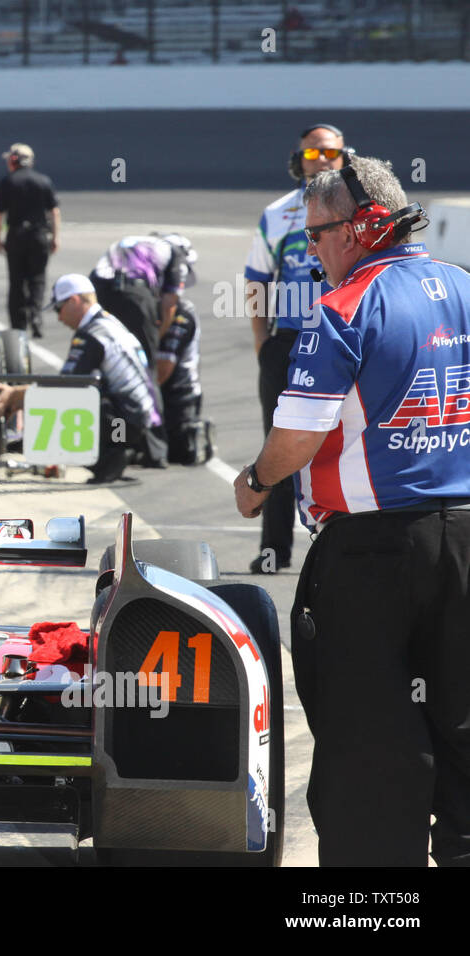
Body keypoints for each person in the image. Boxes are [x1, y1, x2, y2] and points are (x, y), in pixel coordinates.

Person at [232, 156, 469, 867]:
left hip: (372, 554)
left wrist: (256, 480)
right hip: (464, 544)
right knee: (461, 727)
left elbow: (298, 437)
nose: (310, 252)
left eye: (319, 235)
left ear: (365, 227)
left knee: (368, 747)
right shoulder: (462, 286)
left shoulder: (343, 308)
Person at [244, 123, 349, 574]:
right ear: (298, 160)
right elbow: (257, 280)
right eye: (312, 154)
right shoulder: (278, 214)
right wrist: (262, 342)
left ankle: (344, 542)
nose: (322, 160)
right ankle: (274, 550)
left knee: (342, 440)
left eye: (330, 153)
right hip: (288, 343)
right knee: (279, 440)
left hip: (345, 338)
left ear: (345, 158)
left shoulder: (360, 211)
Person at [0, 274, 165, 482]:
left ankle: (110, 457)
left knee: (66, 404)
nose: (59, 318)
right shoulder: (109, 322)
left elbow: (66, 386)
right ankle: (117, 450)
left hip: (124, 421)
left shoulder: (92, 334)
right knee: (80, 393)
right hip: (136, 419)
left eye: (58, 309)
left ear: (74, 301)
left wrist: (16, 395)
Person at [88, 232, 195, 370]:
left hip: (98, 288)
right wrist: (155, 338)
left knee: (101, 357)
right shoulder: (176, 251)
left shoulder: (138, 242)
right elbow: (169, 304)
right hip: (133, 294)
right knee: (142, 367)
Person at [0, 143, 59, 338]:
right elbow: (54, 212)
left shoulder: (7, 182)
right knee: (37, 279)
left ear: (13, 161)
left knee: (16, 281)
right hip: (39, 236)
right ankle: (36, 315)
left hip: (16, 235)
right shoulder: (43, 181)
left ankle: (17, 325)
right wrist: (55, 237)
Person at [155, 297, 211, 464]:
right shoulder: (148, 306)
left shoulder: (182, 313)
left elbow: (163, 370)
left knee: (176, 454)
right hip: (157, 394)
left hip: (180, 396)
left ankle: (196, 432)